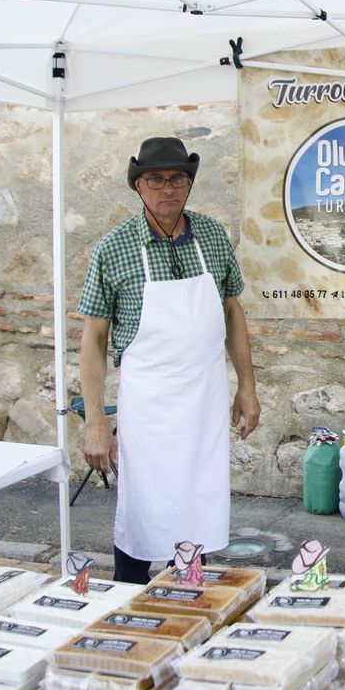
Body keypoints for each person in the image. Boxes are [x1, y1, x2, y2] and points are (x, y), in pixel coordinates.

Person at [77, 136, 261, 583]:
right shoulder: (114, 249)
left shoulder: (213, 237)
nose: (167, 188)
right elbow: (93, 339)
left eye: (177, 178)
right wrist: (96, 420)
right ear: (138, 185)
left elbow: (232, 310)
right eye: (155, 179)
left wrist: (248, 387)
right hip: (149, 406)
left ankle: (193, 602)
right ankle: (129, 601)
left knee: (199, 506)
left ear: (189, 183)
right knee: (143, 509)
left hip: (204, 399)